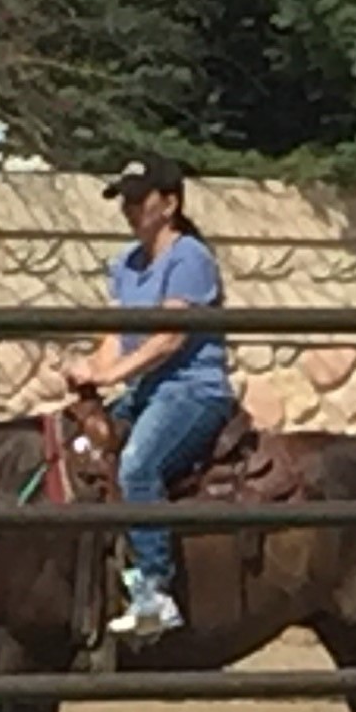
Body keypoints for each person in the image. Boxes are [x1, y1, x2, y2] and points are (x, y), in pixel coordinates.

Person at [64, 155, 235, 637]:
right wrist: (90, 372)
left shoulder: (191, 258)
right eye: (125, 199)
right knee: (75, 447)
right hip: (146, 391)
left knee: (138, 466)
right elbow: (119, 334)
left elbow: (170, 337)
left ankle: (155, 591)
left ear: (171, 204)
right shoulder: (126, 264)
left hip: (193, 392)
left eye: (140, 199)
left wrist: (113, 373)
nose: (130, 209)